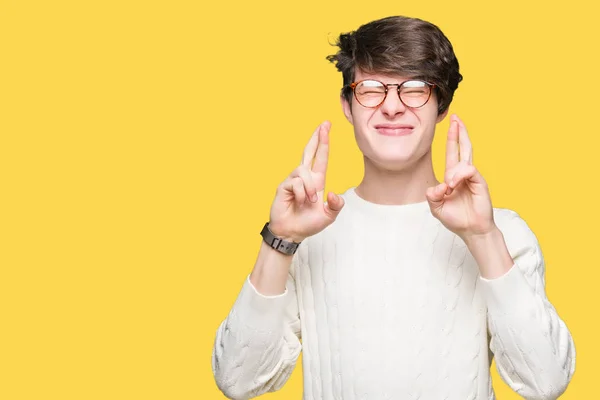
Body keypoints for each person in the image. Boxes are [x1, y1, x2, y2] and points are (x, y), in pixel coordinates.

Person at [211, 15, 576, 400]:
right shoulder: (306, 235)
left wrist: (482, 237)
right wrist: (280, 240)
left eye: (414, 89)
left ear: (440, 104)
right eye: (371, 89)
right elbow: (238, 380)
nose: (392, 107)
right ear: (348, 106)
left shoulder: (501, 232)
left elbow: (546, 382)